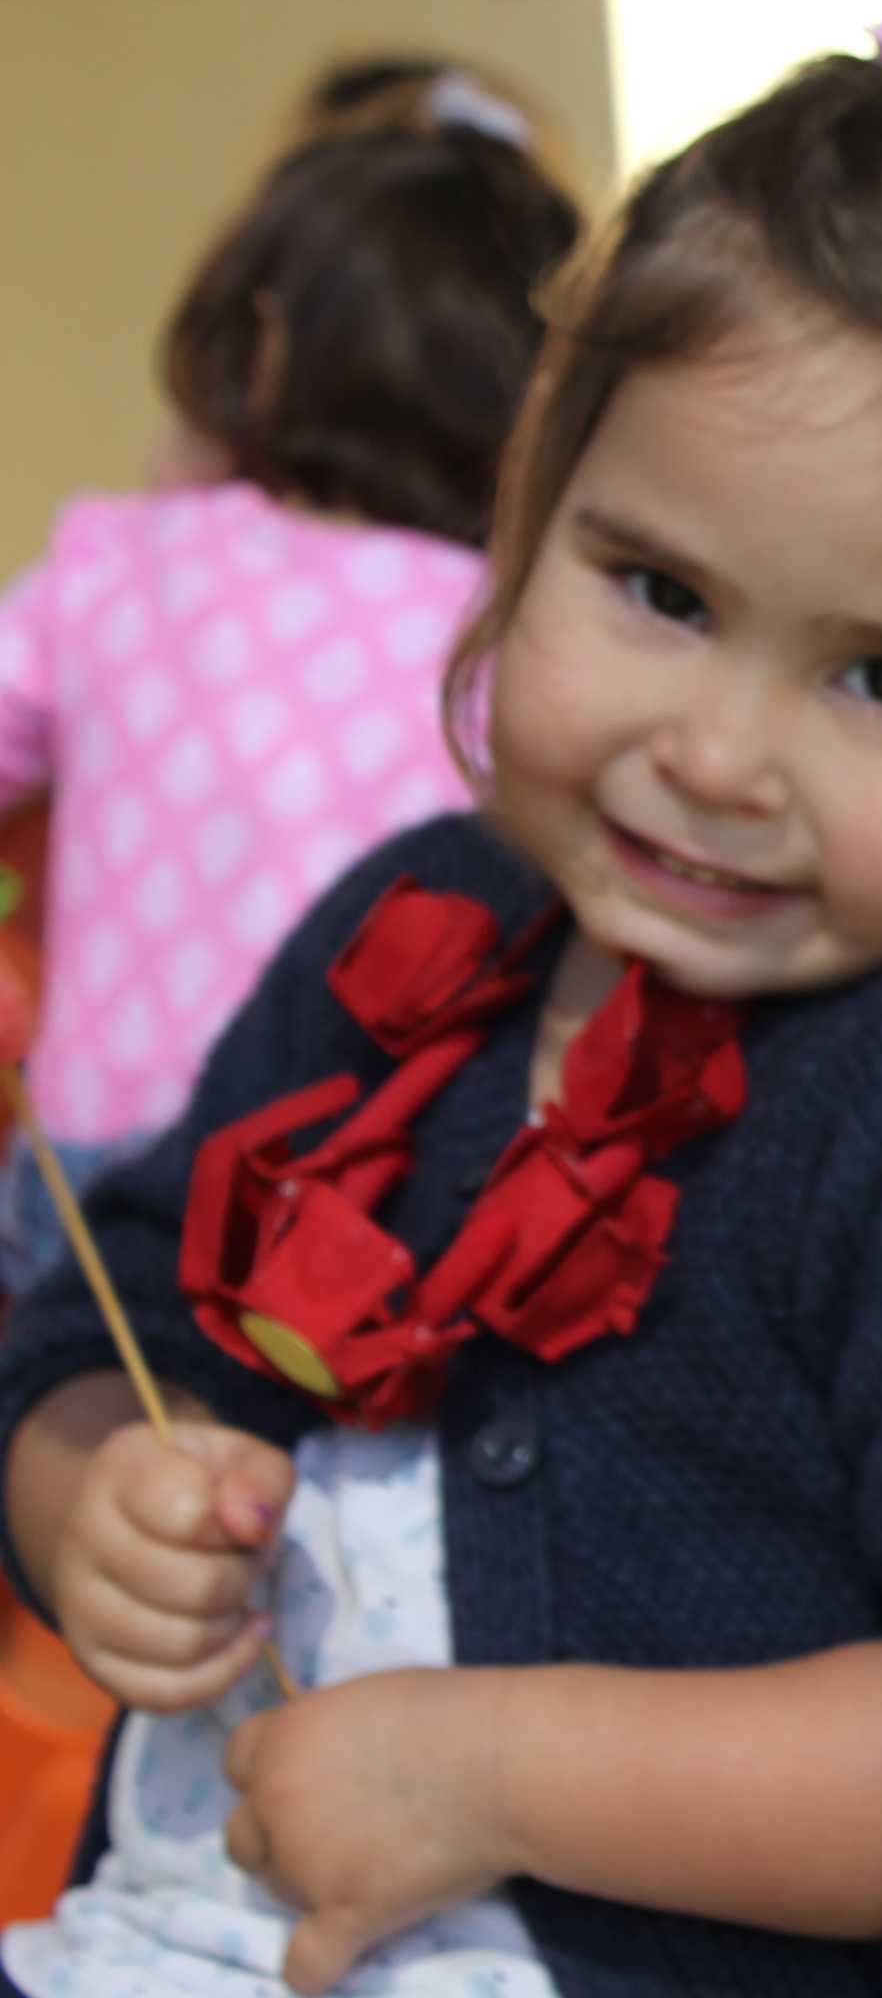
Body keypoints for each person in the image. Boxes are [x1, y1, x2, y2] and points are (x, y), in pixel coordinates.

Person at [0, 34, 882, 1998]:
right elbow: (115, 1321)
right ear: (527, 501)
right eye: (660, 589)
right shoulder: (417, 923)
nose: (717, 751)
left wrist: (487, 1772)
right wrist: (94, 1494)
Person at [0, 95, 580, 1296]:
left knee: (73, 1439)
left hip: (104, 1139)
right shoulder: (502, 629)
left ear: (263, 344)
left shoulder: (124, 561)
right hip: (367, 1169)